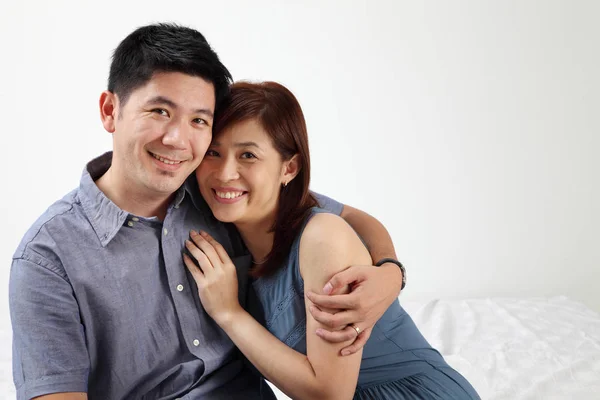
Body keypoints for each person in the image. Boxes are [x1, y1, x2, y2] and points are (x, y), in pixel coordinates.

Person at [9, 24, 404, 400]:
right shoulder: (48, 258)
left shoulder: (216, 192)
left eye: (199, 120)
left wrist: (390, 272)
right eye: (160, 112)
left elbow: (342, 217)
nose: (178, 139)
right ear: (111, 110)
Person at [184, 81, 480, 399]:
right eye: (213, 152)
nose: (226, 172)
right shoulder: (228, 223)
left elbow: (329, 395)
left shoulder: (322, 238)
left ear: (289, 168)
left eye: (248, 155)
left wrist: (229, 313)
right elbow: (358, 217)